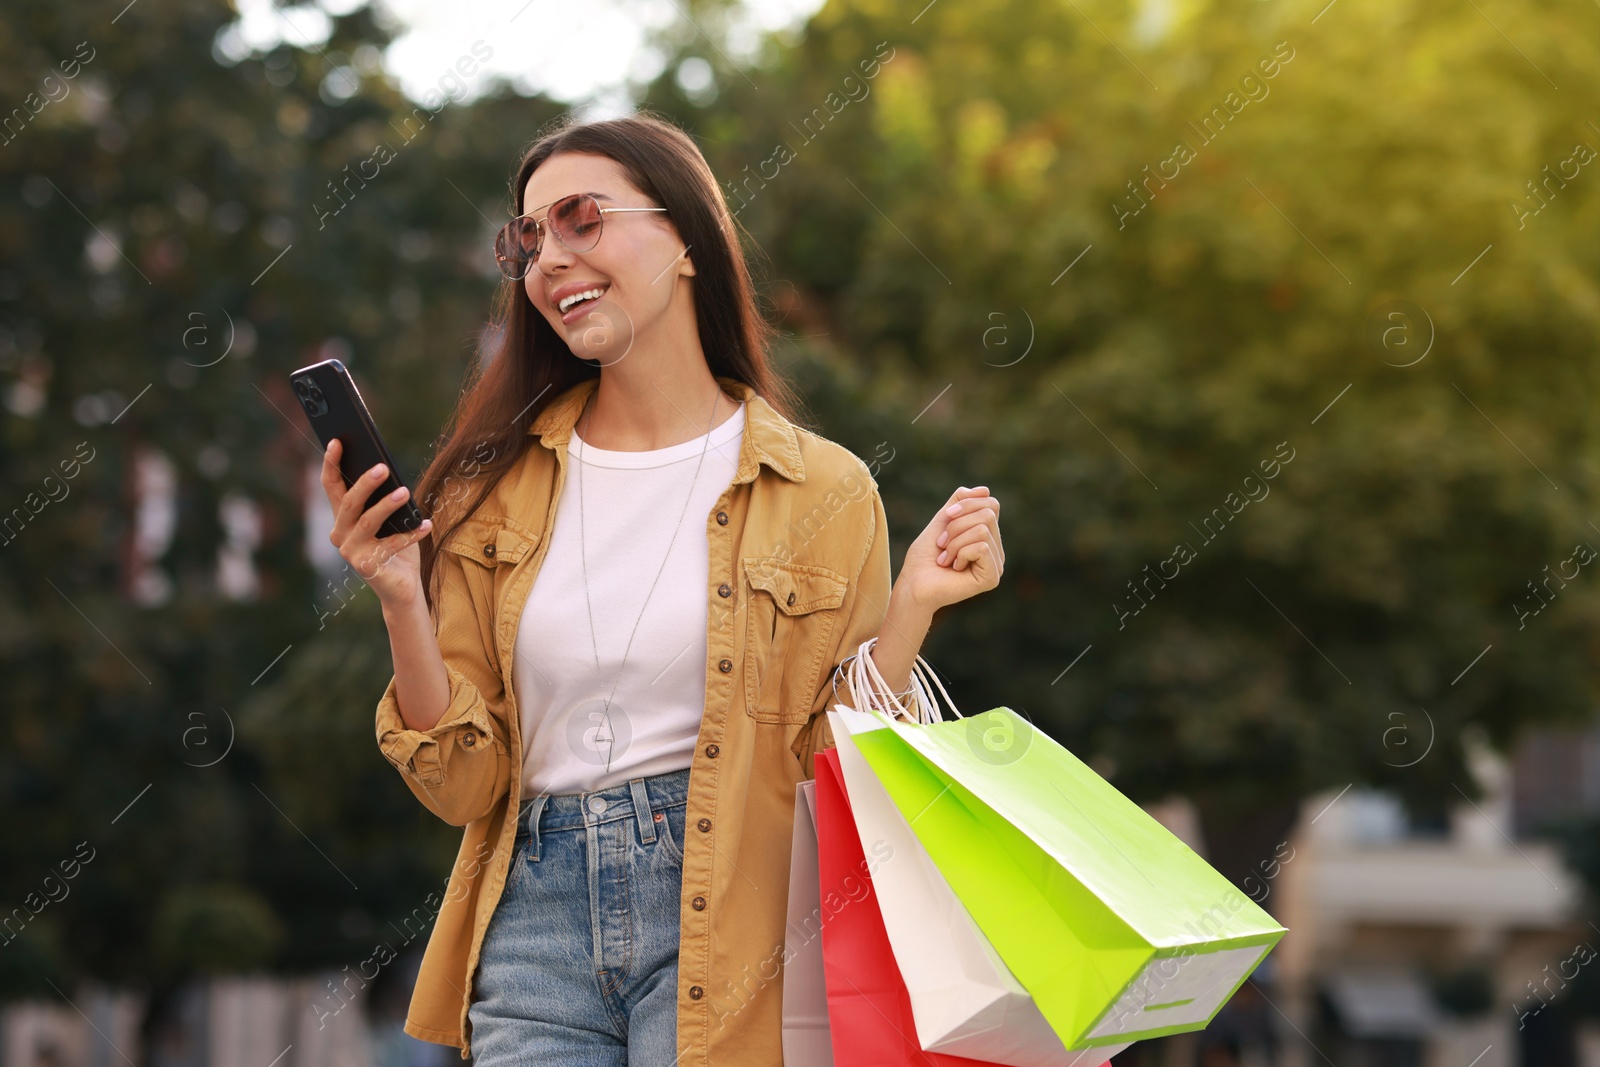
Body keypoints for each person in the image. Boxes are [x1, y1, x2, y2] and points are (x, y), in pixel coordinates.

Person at [318, 111, 1004, 1066]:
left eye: (581, 219)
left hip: (737, 917)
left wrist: (913, 608)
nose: (549, 257)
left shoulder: (828, 490)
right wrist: (400, 594)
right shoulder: (489, 491)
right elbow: (464, 781)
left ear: (686, 237)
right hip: (534, 922)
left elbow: (825, 761)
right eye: (529, 238)